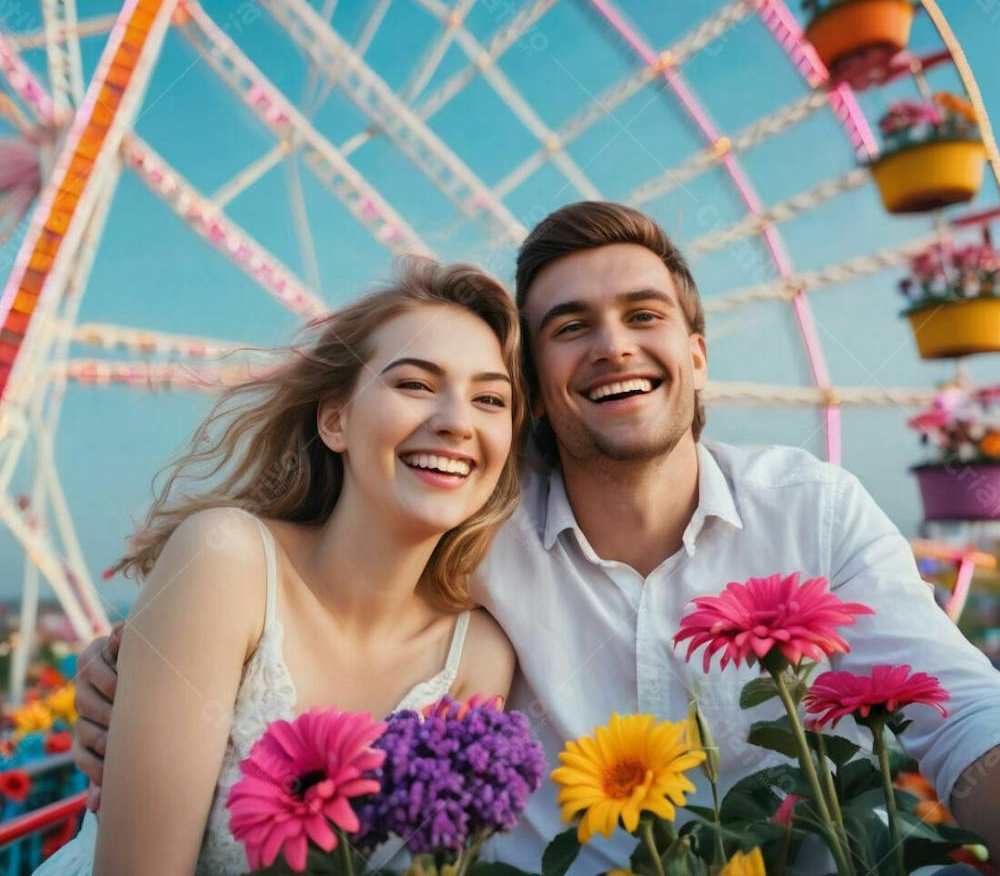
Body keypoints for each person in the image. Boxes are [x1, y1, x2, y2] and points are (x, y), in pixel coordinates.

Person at [74, 203, 1000, 871]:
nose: (613, 346)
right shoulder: (471, 541)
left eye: (644, 316)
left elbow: (963, 716)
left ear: (698, 356)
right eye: (569, 328)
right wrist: (143, 661)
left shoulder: (811, 512)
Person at [43, 258, 525, 875]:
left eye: (490, 399)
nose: (457, 421)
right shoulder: (227, 562)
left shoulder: (478, 655)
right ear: (335, 420)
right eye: (414, 385)